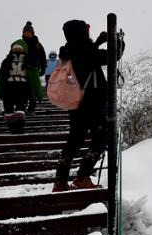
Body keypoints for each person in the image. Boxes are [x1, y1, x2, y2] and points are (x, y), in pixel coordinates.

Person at [52, 20, 124, 192]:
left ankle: (60, 181)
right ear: (81, 33)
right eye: (87, 30)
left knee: (74, 140)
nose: (89, 33)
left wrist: (98, 42)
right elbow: (113, 55)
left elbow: (85, 57)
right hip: (93, 102)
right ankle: (83, 176)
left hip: (75, 103)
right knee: (100, 139)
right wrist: (118, 40)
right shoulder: (86, 51)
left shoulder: (68, 51)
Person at [0, 39, 44, 134]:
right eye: (15, 48)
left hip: (23, 89)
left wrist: (39, 94)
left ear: (24, 49)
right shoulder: (6, 62)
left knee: (20, 110)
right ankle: (13, 128)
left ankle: (19, 129)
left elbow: (35, 80)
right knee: (8, 111)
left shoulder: (29, 62)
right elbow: (0, 78)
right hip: (8, 89)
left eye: (19, 48)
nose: (17, 50)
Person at [22, 21, 47, 114]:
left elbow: (43, 56)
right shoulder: (21, 43)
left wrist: (43, 67)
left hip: (33, 69)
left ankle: (31, 108)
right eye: (25, 33)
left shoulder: (37, 44)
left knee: (33, 89)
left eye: (29, 33)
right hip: (23, 70)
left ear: (32, 33)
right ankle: (22, 107)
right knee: (24, 89)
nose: (27, 34)